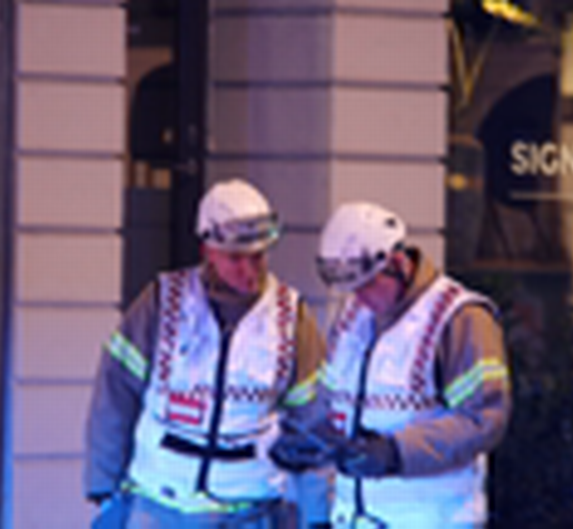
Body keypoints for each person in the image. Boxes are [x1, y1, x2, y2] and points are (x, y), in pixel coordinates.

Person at [83, 178, 330, 529]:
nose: (249, 272)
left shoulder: (291, 318)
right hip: (157, 503)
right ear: (208, 250)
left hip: (251, 511)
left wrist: (318, 515)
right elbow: (115, 396)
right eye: (235, 258)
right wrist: (104, 483)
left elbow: (314, 425)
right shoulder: (162, 304)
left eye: (258, 257)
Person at [313, 201, 512, 528]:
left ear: (397, 263)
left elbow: (483, 419)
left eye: (366, 285)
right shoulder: (354, 316)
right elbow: (333, 399)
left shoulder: (460, 318)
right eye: (351, 289)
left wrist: (396, 452)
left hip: (431, 517)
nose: (358, 298)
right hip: (355, 517)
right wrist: (311, 439)